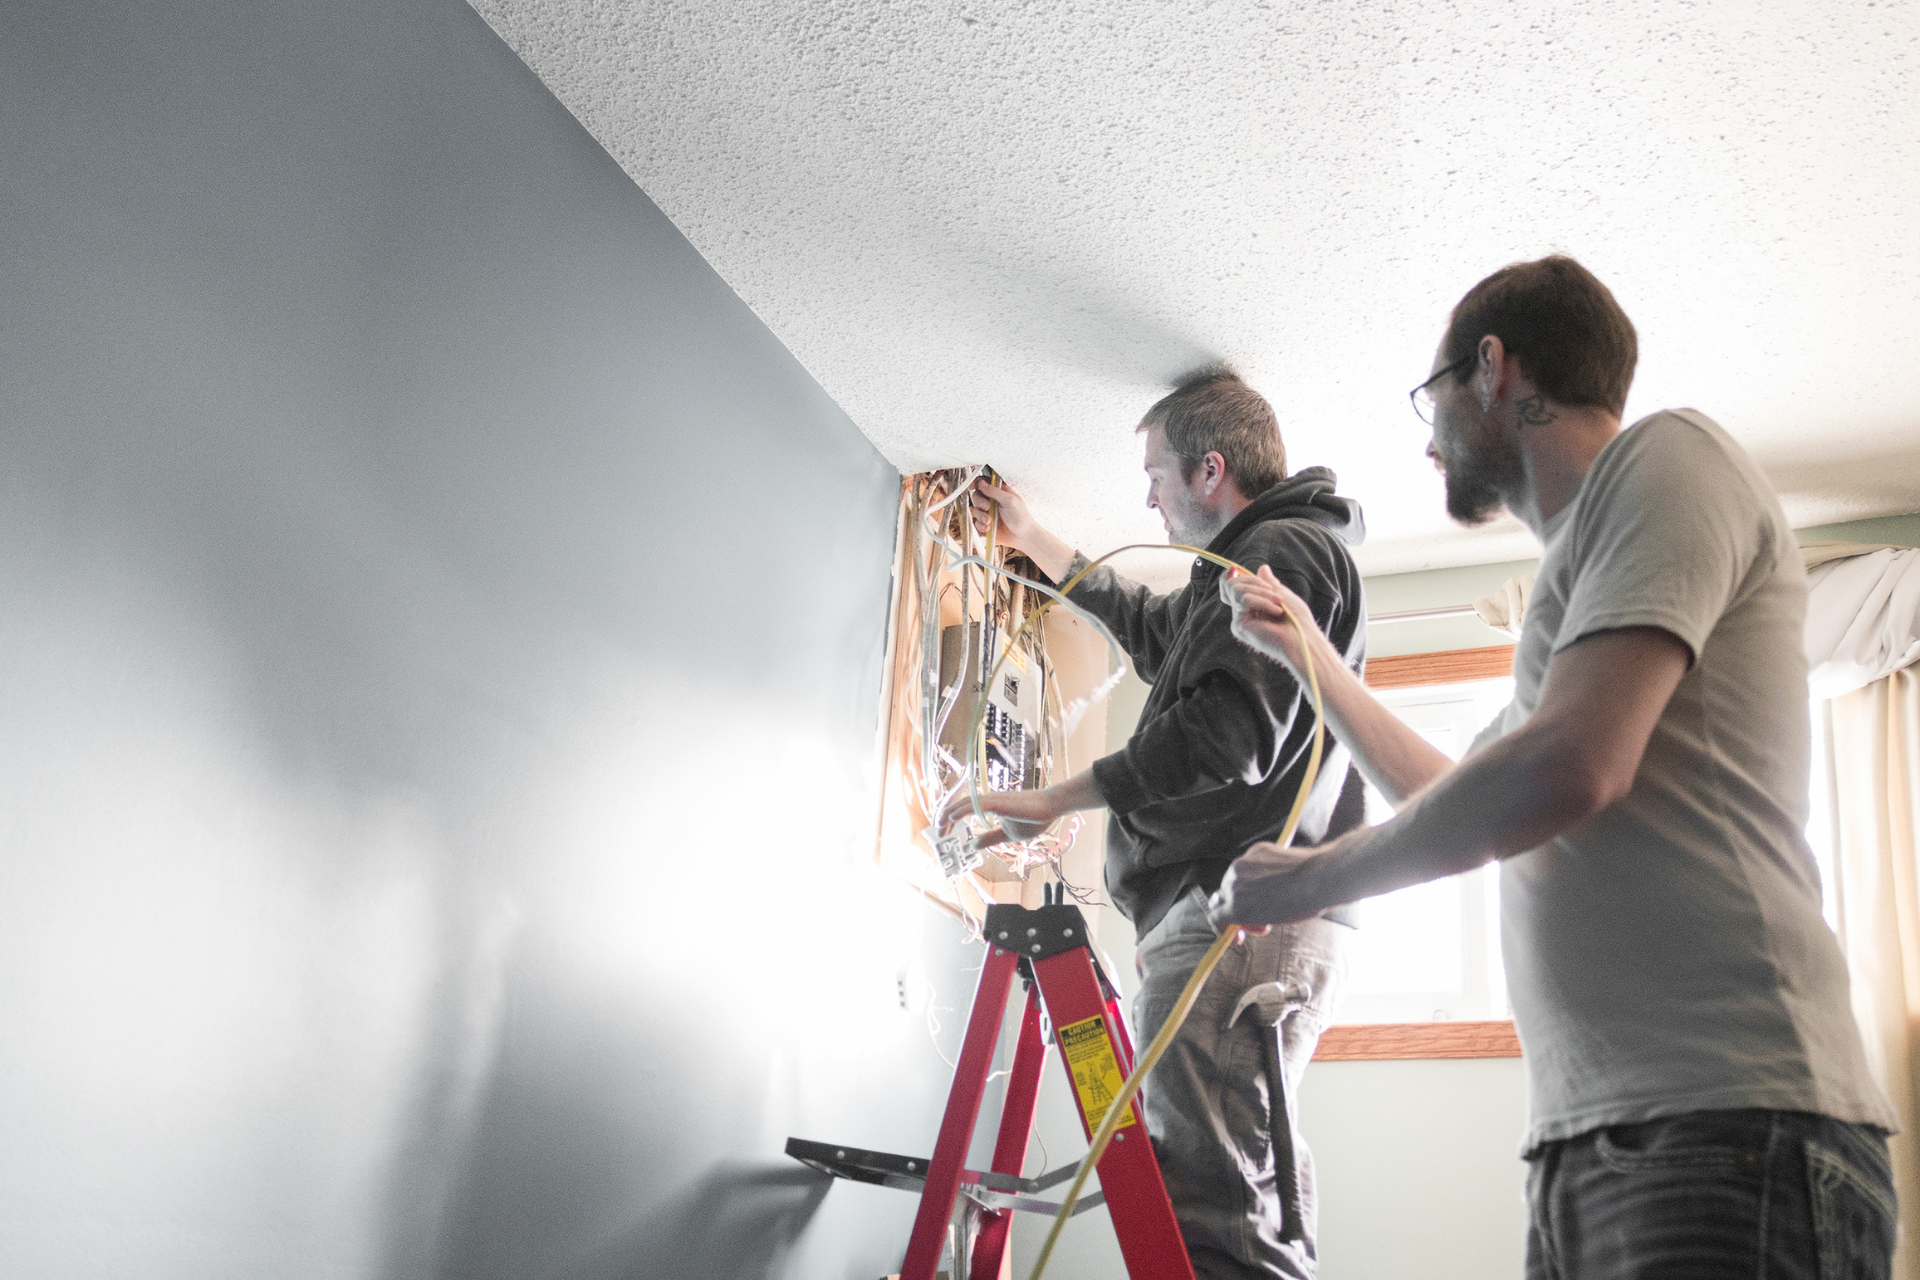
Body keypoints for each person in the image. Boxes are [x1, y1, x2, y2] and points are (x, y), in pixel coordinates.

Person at [1211, 256, 1900, 1278]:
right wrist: (1309, 651)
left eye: (1430, 396)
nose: (1426, 432)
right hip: (1601, 1142)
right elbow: (1460, 794)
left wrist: (1310, 879)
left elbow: (1571, 767)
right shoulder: (1573, 606)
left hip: (1730, 1122)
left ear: (1492, 366)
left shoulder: (1672, 459)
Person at [943, 368, 1367, 1280]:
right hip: (1248, 916)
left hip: (1239, 912)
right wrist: (1039, 543)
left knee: (1221, 1225)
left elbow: (1226, 736)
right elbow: (1153, 628)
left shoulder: (1283, 555)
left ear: (1209, 471)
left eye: (1156, 472)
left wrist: (1054, 799)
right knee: (1230, 1203)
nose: (1147, 495)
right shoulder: (1262, 565)